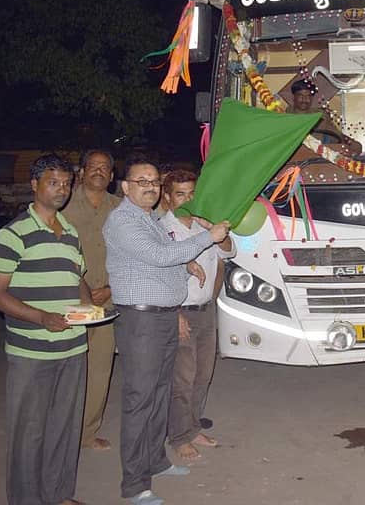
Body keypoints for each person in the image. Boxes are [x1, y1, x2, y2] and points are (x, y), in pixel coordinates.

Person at [104, 155, 231, 505]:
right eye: (141, 181)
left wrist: (187, 263)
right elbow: (159, 257)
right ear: (126, 187)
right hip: (141, 321)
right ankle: (134, 485)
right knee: (140, 401)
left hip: (162, 317)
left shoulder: (151, 221)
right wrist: (208, 238)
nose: (149, 187)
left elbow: (166, 255)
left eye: (153, 182)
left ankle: (156, 461)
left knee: (160, 396)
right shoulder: (123, 221)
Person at [0, 154, 91, 505]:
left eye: (65, 183)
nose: (61, 189)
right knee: (28, 434)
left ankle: (59, 495)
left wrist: (90, 308)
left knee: (65, 428)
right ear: (34, 185)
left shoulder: (71, 233)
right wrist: (40, 317)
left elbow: (78, 280)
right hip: (31, 352)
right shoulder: (12, 235)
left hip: (74, 349)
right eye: (52, 182)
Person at [158, 170, 235, 461]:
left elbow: (230, 252)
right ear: (167, 197)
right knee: (183, 378)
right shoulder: (162, 229)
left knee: (203, 375)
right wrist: (174, 312)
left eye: (192, 193)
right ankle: (178, 436)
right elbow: (160, 273)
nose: (188, 199)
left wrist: (213, 228)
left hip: (206, 309)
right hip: (180, 311)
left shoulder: (204, 225)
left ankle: (192, 427)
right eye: (180, 194)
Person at [62, 148, 122, 451]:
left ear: (112, 177)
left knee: (99, 368)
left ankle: (86, 433)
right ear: (81, 172)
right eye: (92, 166)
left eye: (105, 168)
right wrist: (83, 288)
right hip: (68, 300)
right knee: (66, 368)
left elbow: (131, 255)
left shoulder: (122, 208)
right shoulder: (63, 204)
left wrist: (110, 288)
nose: (98, 171)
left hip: (108, 302)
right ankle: (60, 428)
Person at [290, 78, 362, 155]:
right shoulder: (285, 118)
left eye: (308, 96)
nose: (304, 99)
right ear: (293, 97)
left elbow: (339, 136)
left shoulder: (320, 117)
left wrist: (354, 148)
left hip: (320, 162)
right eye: (300, 95)